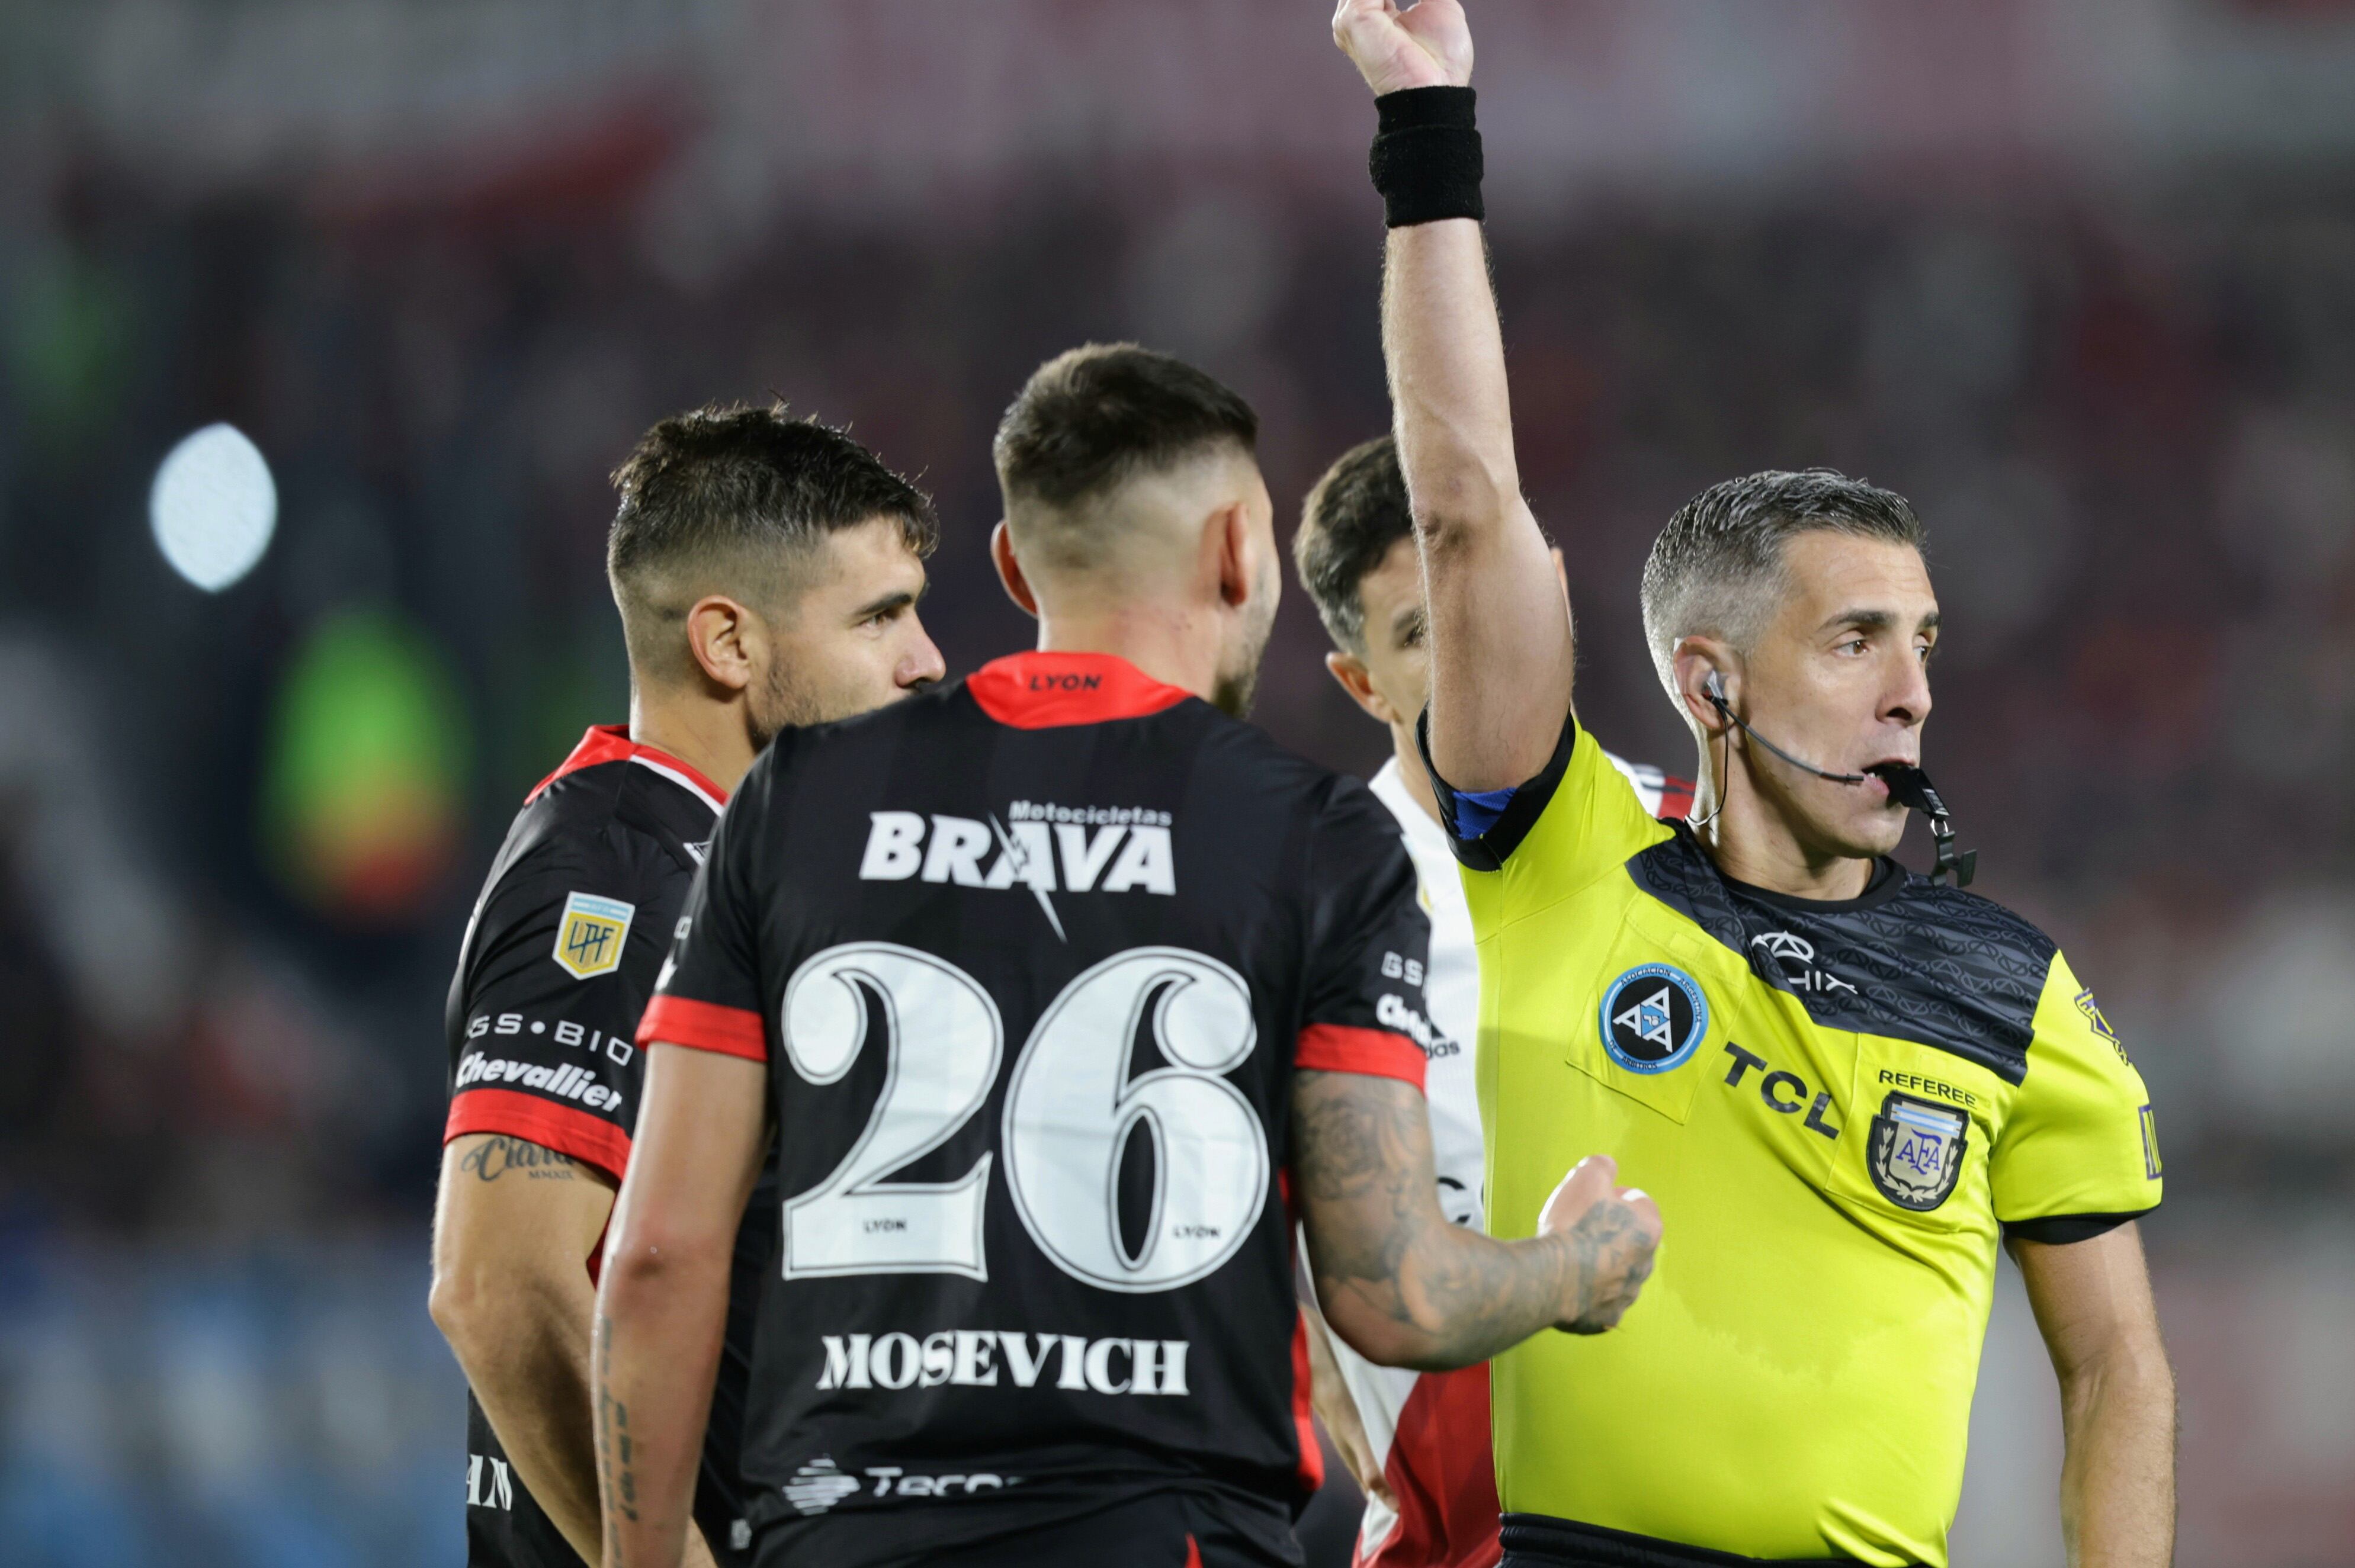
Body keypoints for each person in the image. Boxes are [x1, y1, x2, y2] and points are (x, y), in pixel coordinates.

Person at [1329, 0, 2177, 1567]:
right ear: (1706, 685)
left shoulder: (2017, 991)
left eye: (1924, 642)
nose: (1912, 688)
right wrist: (1428, 128)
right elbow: (1464, 509)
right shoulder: (1559, 852)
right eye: (1855, 641)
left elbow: (2117, 1362)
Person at [594, 345, 1664, 1568]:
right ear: (1235, 553)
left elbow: (662, 1253)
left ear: (1009, 564)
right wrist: (1577, 1268)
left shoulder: (796, 800)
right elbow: (1393, 1290)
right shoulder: (1315, 840)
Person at [431, 404, 946, 1568]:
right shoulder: (614, 882)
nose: (928, 661)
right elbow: (496, 1284)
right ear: (728, 645)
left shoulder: (724, 874)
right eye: (879, 617)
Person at [1289, 436, 1689, 1568]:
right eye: (1418, 631)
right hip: (1465, 1541)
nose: (1465, 652)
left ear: (1550, 592)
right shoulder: (1301, 901)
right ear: (1361, 682)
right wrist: (1293, 1328)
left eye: (1479, 604)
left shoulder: (1715, 850)